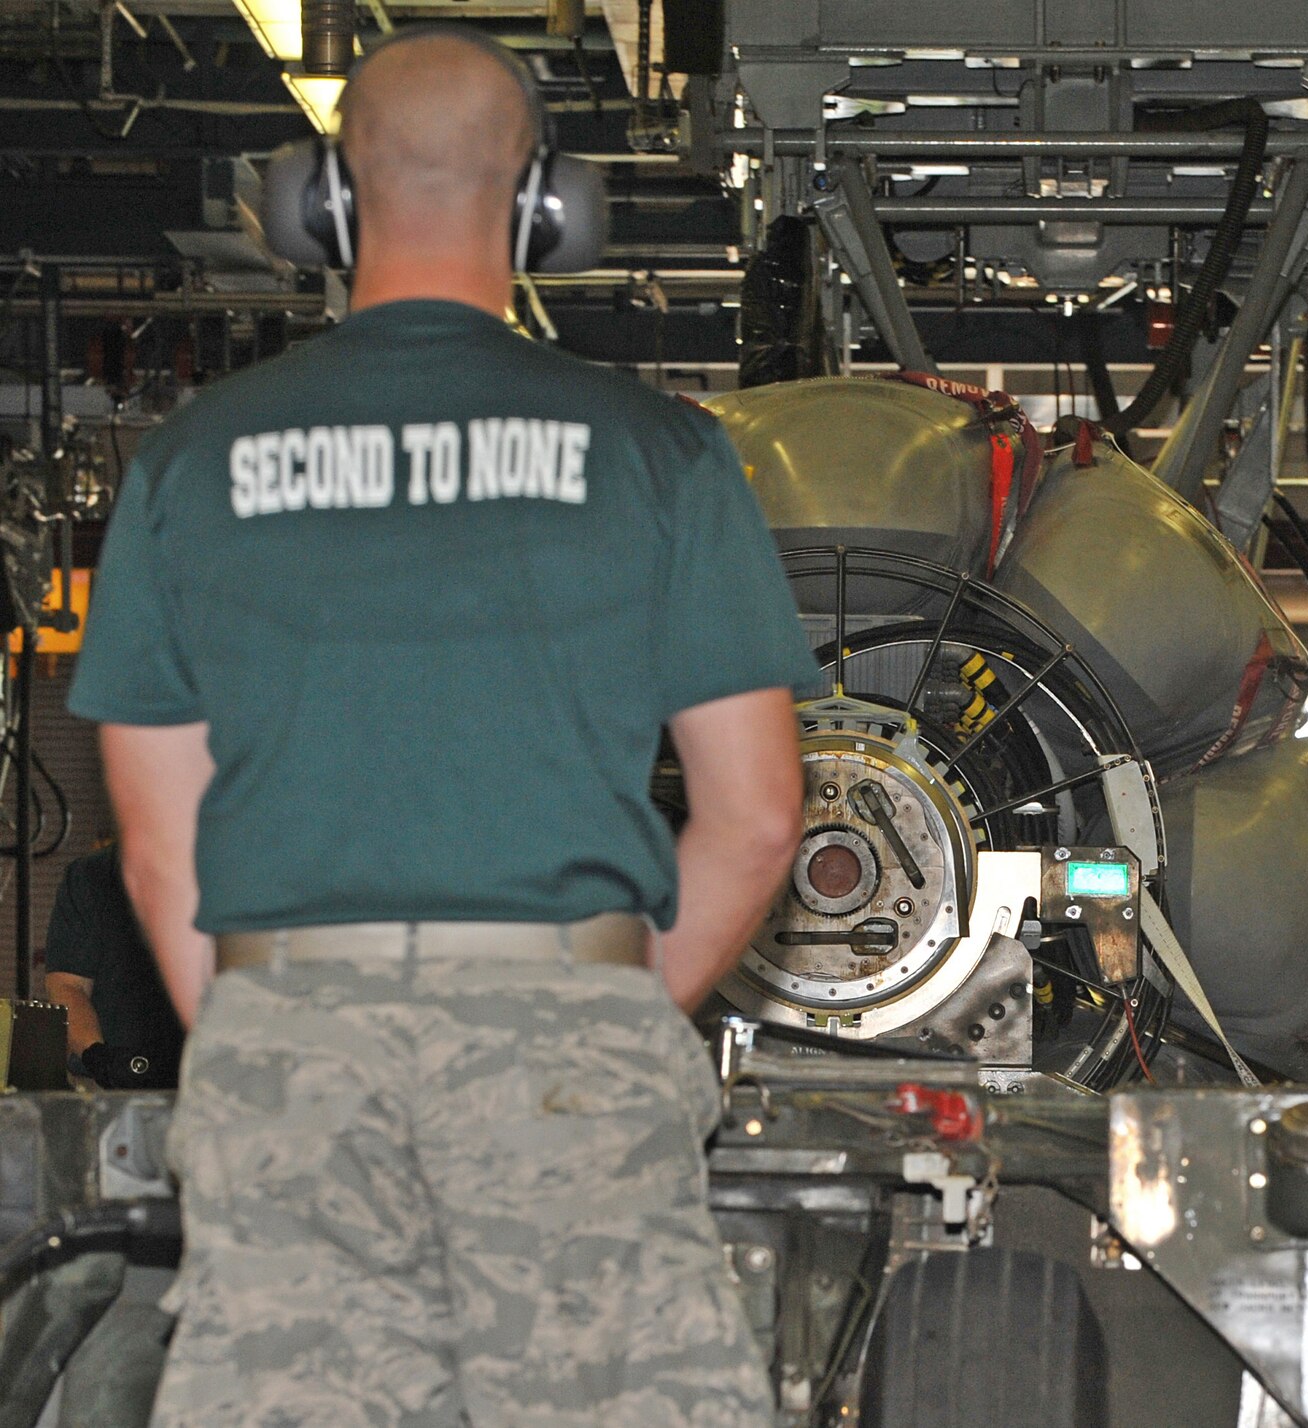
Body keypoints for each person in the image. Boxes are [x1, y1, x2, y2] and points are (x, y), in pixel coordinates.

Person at [68, 26, 814, 1427]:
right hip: (568, 1041)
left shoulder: (191, 464)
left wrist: (267, 1031)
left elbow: (160, 855)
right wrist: (604, 1009)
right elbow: (762, 815)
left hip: (291, 1037)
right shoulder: (661, 455)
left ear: (321, 203)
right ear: (544, 205)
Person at [44, 841, 182, 1088]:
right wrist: (98, 1057)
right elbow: (66, 985)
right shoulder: (91, 876)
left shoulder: (228, 872)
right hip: (112, 1082)